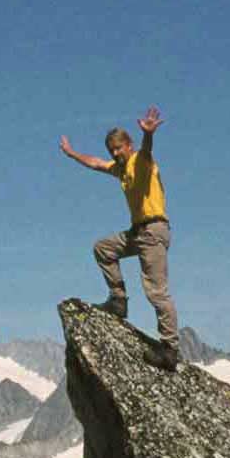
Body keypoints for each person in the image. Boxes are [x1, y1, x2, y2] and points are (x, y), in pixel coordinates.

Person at [60, 106, 180, 371]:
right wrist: (72, 154)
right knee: (103, 248)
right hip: (138, 232)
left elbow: (148, 149)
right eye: (112, 150)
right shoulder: (121, 169)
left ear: (129, 145)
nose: (115, 153)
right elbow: (95, 163)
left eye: (119, 148)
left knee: (156, 291)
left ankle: (170, 349)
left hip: (153, 231)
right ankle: (118, 300)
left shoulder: (141, 160)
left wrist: (148, 134)